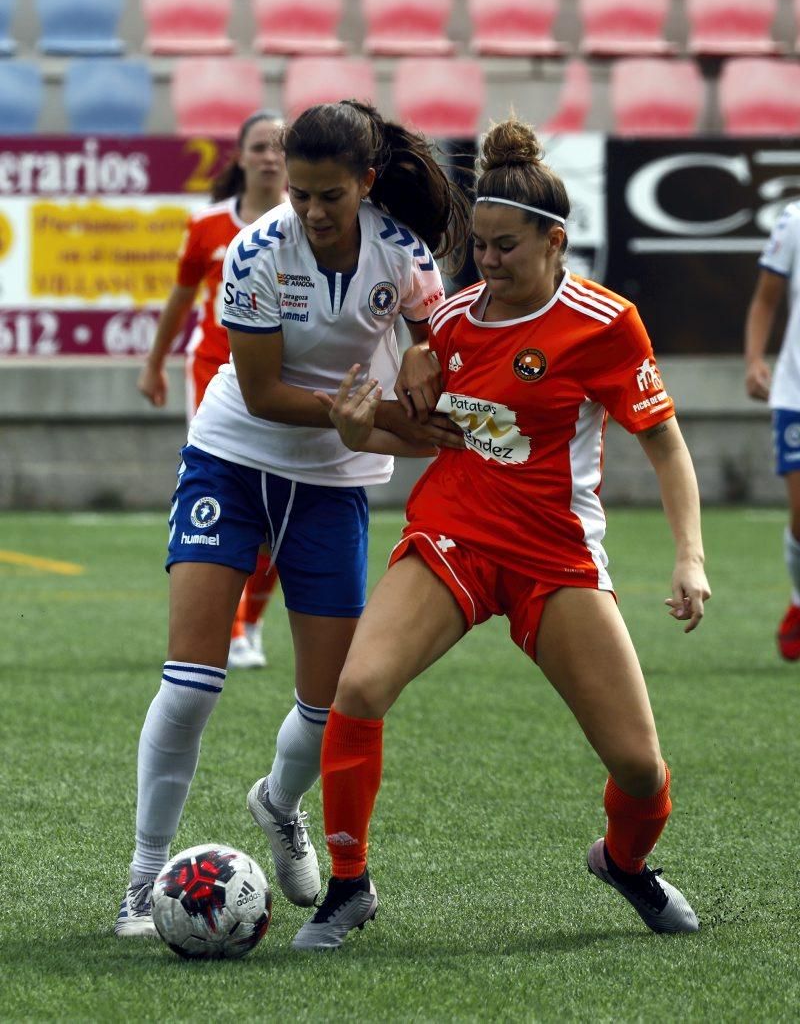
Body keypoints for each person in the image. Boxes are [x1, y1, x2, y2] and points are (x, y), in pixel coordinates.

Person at [292, 117, 711, 951]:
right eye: (477, 246)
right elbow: (424, 436)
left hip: (555, 556)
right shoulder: (446, 323)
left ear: (555, 241)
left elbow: (663, 442)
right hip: (455, 533)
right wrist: (354, 426)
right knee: (361, 686)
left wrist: (690, 555)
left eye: (505, 247)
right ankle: (347, 886)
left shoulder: (605, 323)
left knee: (639, 769)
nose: (486, 262)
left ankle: (624, 862)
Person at [114, 100, 471, 937]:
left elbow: (437, 351)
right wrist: (376, 413)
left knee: (330, 701)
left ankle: (279, 802)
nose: (310, 211)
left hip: (334, 482)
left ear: (366, 184)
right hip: (233, 458)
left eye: (329, 196)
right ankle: (137, 883)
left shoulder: (406, 254)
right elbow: (268, 392)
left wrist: (424, 362)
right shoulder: (255, 252)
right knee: (192, 682)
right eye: (301, 194)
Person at [137, 110, 287, 669]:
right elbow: (180, 301)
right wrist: (153, 365)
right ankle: (229, 628)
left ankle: (249, 623)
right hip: (214, 379)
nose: (269, 156)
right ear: (241, 156)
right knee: (227, 499)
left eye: (278, 147)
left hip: (283, 381)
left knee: (279, 513)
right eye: (259, 146)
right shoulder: (207, 226)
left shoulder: (313, 225)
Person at [744, 199, 800, 660]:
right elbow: (766, 297)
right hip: (795, 392)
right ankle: (799, 601)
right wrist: (755, 359)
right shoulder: (795, 218)